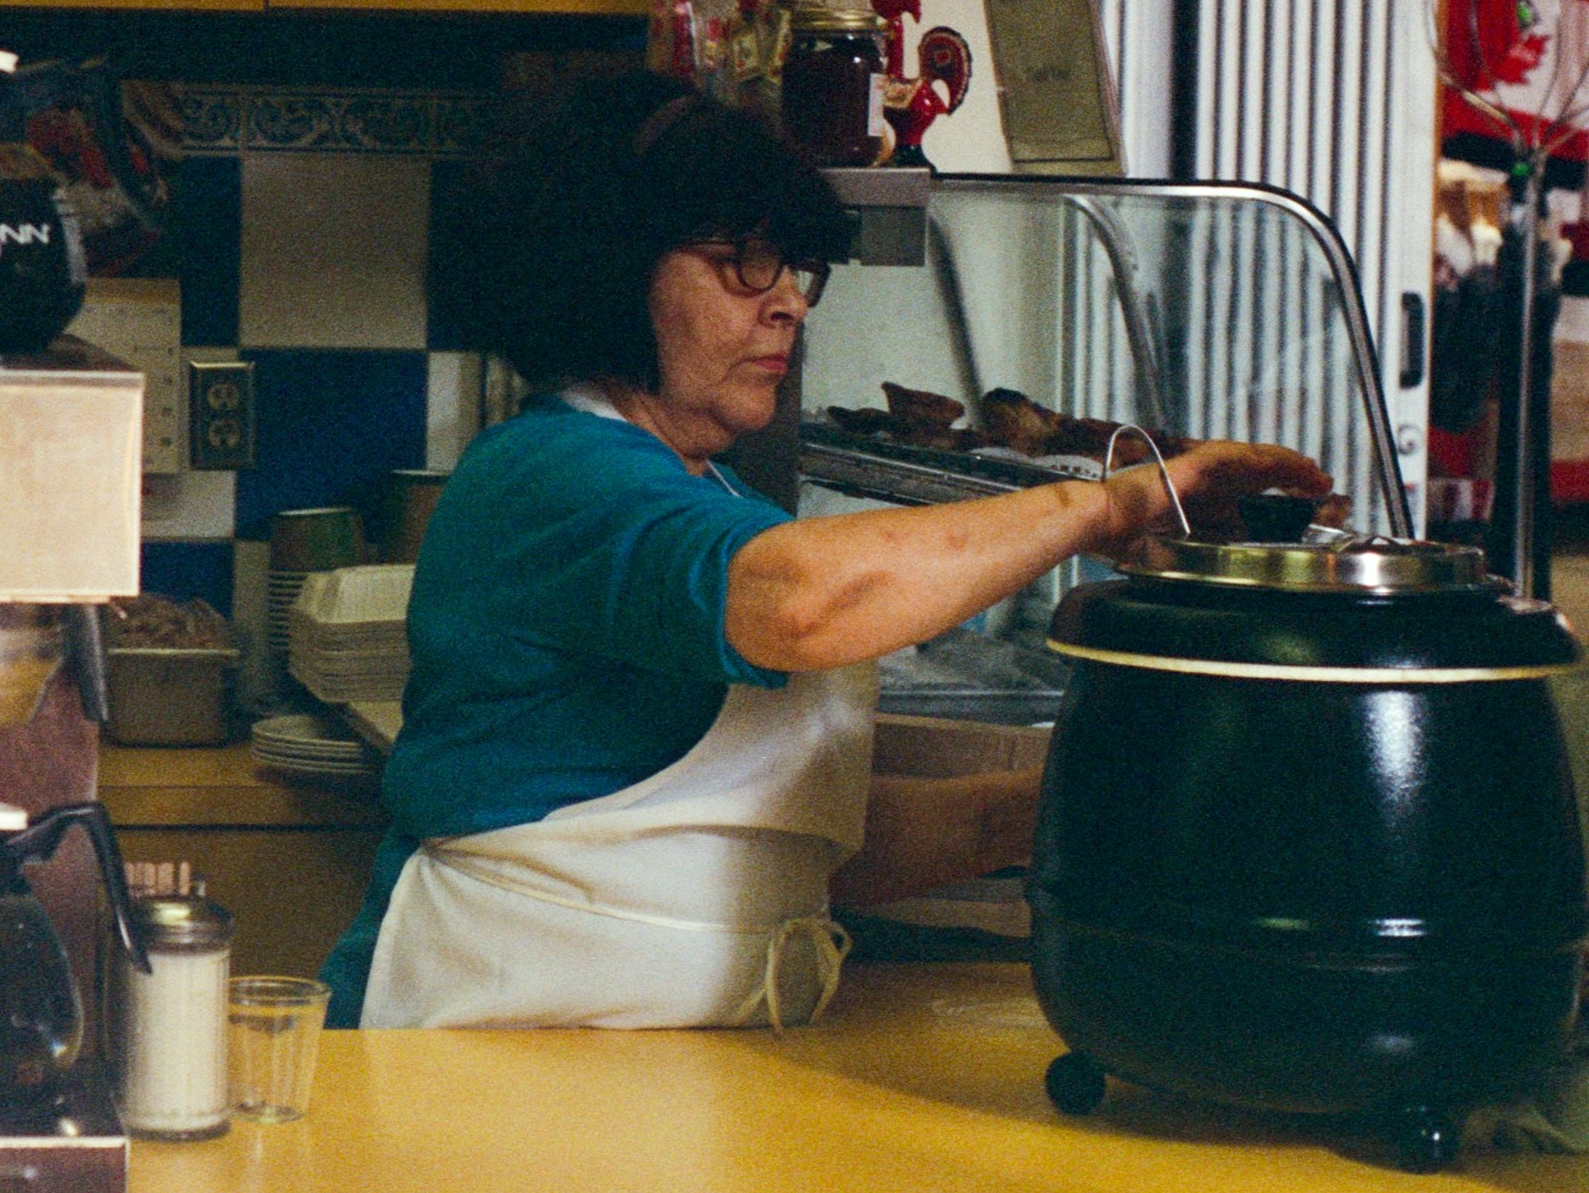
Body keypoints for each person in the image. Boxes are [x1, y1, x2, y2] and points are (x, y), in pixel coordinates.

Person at [321, 74, 1330, 1031]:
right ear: (611, 269)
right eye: (739, 261)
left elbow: (781, 847)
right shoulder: (548, 471)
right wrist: (1113, 503)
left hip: (651, 1062)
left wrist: (1069, 798)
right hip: (478, 1049)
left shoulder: (698, 485)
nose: (788, 301)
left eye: (791, 265)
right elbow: (797, 603)